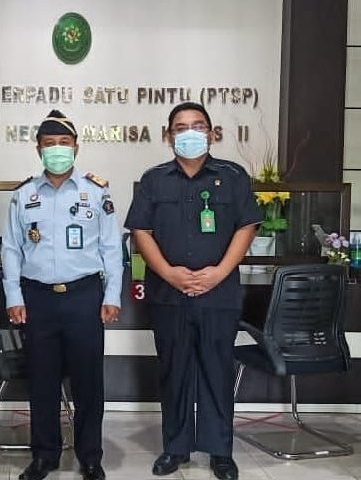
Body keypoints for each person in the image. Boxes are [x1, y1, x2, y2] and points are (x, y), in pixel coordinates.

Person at [124, 102, 262, 480]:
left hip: (219, 294)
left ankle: (220, 452)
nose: (190, 133)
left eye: (198, 126)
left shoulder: (233, 176)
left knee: (217, 371)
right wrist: (169, 273)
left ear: (212, 133)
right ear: (167, 136)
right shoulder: (154, 180)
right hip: (169, 295)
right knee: (175, 371)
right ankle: (176, 447)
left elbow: (247, 227)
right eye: (180, 127)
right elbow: (141, 231)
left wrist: (219, 273)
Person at [1, 110, 123, 480]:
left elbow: (111, 248)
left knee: (88, 382)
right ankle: (45, 455)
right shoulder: (23, 195)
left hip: (84, 296)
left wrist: (112, 295)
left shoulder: (96, 192)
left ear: (76, 147)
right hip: (37, 299)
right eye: (50, 144)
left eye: (64, 143)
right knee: (42, 381)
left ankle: (90, 457)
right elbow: (11, 249)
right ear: (38, 149)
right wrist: (13, 296)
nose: (57, 149)